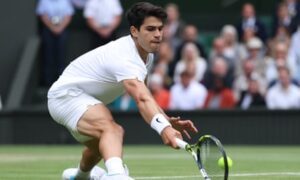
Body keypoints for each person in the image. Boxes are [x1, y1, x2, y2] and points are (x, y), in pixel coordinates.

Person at [47, 2, 198, 180]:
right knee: (112, 130)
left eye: (160, 28)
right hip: (66, 96)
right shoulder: (125, 57)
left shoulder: (147, 55)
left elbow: (145, 94)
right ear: (135, 31)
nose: (158, 34)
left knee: (102, 144)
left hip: (82, 98)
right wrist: (163, 128)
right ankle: (117, 176)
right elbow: (141, 99)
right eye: (150, 29)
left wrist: (165, 119)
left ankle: (79, 176)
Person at [36, 0, 74, 86]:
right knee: (48, 55)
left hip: (62, 30)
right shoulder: (44, 1)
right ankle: (47, 82)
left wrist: (60, 28)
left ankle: (61, 81)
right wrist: (52, 27)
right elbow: (43, 15)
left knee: (61, 56)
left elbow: (68, 15)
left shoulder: (65, 1)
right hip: (48, 30)